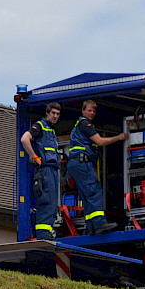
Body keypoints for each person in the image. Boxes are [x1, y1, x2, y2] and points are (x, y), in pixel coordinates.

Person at [66, 99, 128, 234]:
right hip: (83, 163)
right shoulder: (85, 123)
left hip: (76, 164)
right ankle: (99, 223)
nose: (92, 113)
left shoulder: (79, 126)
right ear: (83, 111)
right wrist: (119, 137)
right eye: (89, 110)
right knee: (94, 192)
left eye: (94, 111)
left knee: (87, 196)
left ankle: (91, 226)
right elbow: (99, 141)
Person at [21, 102, 63, 240]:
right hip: (45, 171)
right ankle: (43, 234)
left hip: (52, 170)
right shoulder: (40, 126)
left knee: (52, 204)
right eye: (53, 113)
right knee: (46, 201)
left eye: (57, 114)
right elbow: (24, 139)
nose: (55, 116)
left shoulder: (51, 130)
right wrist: (34, 156)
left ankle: (47, 233)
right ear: (47, 113)